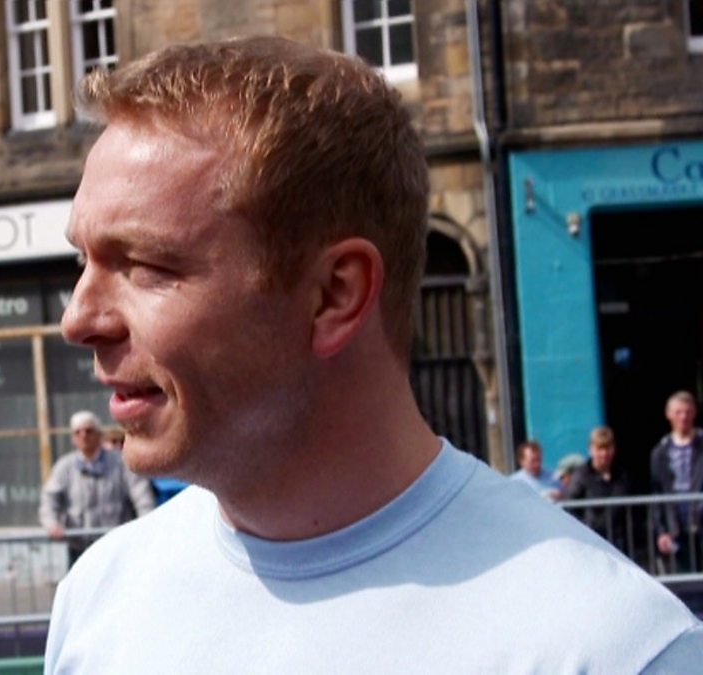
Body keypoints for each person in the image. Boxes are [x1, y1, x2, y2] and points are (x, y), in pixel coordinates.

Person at [45, 36, 702, 672]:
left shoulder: (613, 646)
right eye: (83, 261)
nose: (78, 319)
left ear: (335, 294)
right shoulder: (101, 597)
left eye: (145, 265)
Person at [39, 411, 155, 564]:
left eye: (89, 431)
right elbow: (49, 499)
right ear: (73, 438)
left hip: (116, 546)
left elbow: (141, 495)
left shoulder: (120, 463)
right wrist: (52, 524)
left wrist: (146, 525)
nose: (83, 436)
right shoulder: (64, 466)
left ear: (99, 435)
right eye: (78, 432)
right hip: (79, 548)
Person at [650, 390, 703, 573]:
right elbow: (657, 494)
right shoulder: (660, 452)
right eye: (678, 412)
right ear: (669, 414)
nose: (683, 417)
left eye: (688, 412)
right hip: (676, 527)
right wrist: (661, 531)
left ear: (694, 413)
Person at [566, 426, 630, 549]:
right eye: (600, 448)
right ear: (591, 450)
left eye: (608, 448)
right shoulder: (581, 476)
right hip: (591, 543)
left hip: (620, 542)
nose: (604, 453)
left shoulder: (623, 475)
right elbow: (570, 508)